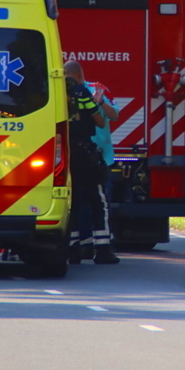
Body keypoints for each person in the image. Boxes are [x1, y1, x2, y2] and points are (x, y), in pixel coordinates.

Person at [64, 61, 106, 264]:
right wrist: (96, 103)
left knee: (72, 202)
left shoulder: (56, 92)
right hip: (84, 152)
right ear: (79, 74)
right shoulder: (82, 92)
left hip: (64, 151)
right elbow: (100, 122)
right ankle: (103, 249)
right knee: (97, 200)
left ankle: (72, 249)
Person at [84, 78, 120, 264]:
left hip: (99, 158)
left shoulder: (98, 89)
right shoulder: (59, 88)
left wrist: (101, 102)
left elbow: (114, 115)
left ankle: (100, 245)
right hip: (75, 155)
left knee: (100, 202)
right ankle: (84, 246)